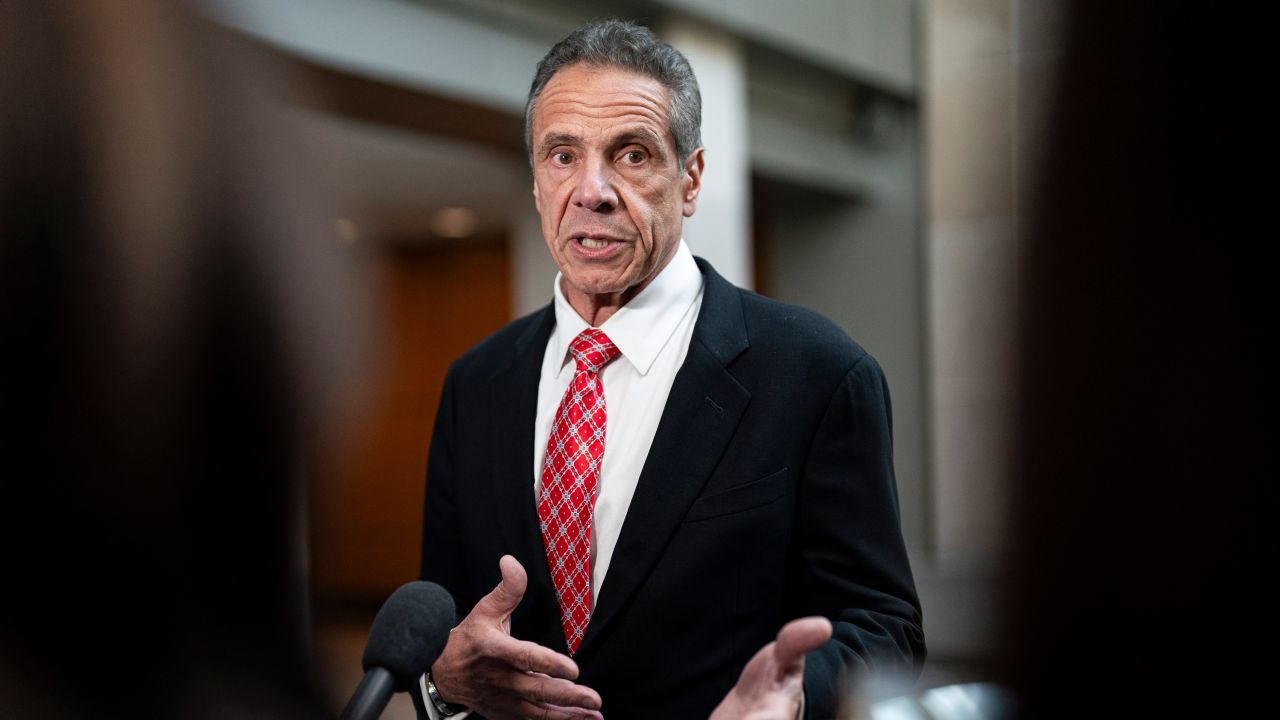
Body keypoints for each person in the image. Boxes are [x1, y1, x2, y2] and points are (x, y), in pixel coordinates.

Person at [416, 19, 924, 720]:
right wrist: (442, 680)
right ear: (536, 181)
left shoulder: (818, 372)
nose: (590, 191)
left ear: (690, 179)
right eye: (562, 155)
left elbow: (886, 627)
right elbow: (437, 621)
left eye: (629, 155)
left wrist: (801, 696)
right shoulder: (475, 384)